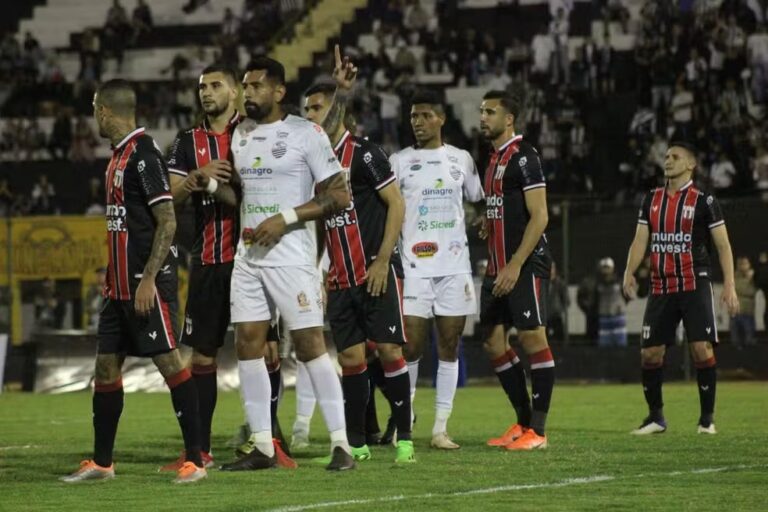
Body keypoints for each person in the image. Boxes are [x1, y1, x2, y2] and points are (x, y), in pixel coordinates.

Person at [61, 79, 206, 484]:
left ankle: (195, 460)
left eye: (95, 108)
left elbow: (168, 221)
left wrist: (148, 281)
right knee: (105, 368)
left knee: (170, 363)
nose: (94, 116)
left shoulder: (144, 155)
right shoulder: (118, 157)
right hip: (116, 289)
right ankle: (103, 463)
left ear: (106, 111)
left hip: (145, 286)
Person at [216, 56, 354, 471]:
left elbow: (339, 195)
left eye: (256, 86)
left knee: (311, 344)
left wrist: (286, 218)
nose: (248, 93)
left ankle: (341, 445)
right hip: (249, 259)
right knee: (247, 343)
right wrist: (206, 184)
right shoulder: (239, 134)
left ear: (278, 91)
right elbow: (240, 197)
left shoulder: (306, 133)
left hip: (292, 259)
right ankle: (261, 446)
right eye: (245, 85)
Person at [162, 63, 293, 470]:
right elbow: (169, 197)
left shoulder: (254, 133)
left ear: (235, 92)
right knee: (201, 358)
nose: (206, 93)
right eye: (202, 87)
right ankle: (198, 449)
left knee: (267, 351)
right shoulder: (187, 142)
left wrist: (219, 186)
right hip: (207, 261)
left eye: (216, 85)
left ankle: (270, 442)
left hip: (255, 259)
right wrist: (196, 177)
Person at [303, 49, 414, 464]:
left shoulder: (365, 154)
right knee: (350, 358)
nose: (311, 115)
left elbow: (397, 205)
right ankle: (359, 443)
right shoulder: (315, 165)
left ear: (334, 110)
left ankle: (405, 437)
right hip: (342, 278)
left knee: (388, 350)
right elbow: (319, 223)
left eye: (317, 108)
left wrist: (384, 260)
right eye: (308, 109)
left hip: (376, 271)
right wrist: (322, 272)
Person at [388, 89, 483, 450]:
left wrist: (484, 224)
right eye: (413, 116)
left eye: (425, 115)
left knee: (449, 346)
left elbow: (478, 199)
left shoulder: (461, 159)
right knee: (409, 347)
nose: (418, 122)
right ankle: (404, 423)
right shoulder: (398, 162)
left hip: (455, 268)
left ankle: (441, 428)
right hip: (413, 267)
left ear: (441, 118)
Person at [623, 141, 740, 436]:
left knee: (701, 348)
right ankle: (655, 418)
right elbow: (640, 240)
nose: (668, 160)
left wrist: (730, 284)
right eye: (666, 156)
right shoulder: (650, 199)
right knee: (650, 353)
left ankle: (706, 420)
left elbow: (723, 245)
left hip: (694, 282)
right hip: (661, 285)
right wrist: (629, 271)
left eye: (675, 157)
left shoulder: (705, 201)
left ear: (691, 165)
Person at [478, 88, 555, 451]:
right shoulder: (494, 159)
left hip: (522, 265)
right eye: (481, 111)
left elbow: (540, 216)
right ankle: (522, 421)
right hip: (498, 267)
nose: (483, 117)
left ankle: (538, 431)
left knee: (532, 338)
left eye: (490, 112)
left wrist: (515, 264)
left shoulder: (525, 157)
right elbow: (506, 209)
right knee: (493, 341)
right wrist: (488, 221)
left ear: (509, 119)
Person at [596, 257, 627, 347]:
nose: (606, 270)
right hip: (604, 317)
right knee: (604, 345)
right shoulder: (597, 282)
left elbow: (627, 295)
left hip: (618, 316)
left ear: (612, 268)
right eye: (604, 268)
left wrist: (620, 306)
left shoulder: (619, 281)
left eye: (608, 267)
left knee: (621, 345)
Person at [731, 256, 757, 347]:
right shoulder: (733, 275)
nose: (743, 266)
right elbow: (737, 288)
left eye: (745, 263)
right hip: (736, 309)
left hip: (748, 310)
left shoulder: (753, 276)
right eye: (740, 264)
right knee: (735, 337)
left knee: (749, 335)